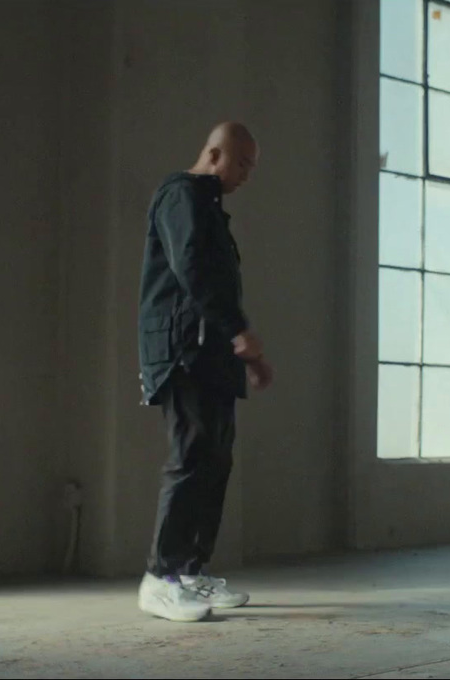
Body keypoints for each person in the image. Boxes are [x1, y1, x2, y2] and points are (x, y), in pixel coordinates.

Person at [135, 122, 274, 622]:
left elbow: (212, 281)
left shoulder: (211, 208)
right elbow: (192, 267)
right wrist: (240, 332)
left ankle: (190, 573)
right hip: (183, 352)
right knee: (191, 458)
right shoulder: (181, 194)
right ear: (214, 153)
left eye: (252, 167)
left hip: (211, 354)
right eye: (242, 163)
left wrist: (246, 355)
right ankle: (160, 578)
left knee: (215, 461)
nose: (247, 175)